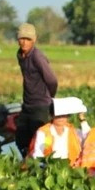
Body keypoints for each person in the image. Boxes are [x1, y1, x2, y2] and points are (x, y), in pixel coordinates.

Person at [14, 22, 58, 158]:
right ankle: (26, 165)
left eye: (28, 39)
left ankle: (39, 168)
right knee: (21, 138)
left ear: (34, 40)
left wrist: (49, 98)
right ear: (18, 39)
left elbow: (52, 80)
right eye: (22, 38)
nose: (24, 42)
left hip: (41, 106)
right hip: (27, 104)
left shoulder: (37, 56)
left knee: (39, 141)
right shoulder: (20, 55)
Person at [28, 97, 83, 164]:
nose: (61, 118)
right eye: (58, 115)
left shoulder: (73, 131)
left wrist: (82, 120)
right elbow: (38, 154)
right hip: (50, 167)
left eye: (63, 115)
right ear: (51, 115)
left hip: (71, 167)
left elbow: (88, 137)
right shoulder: (43, 132)